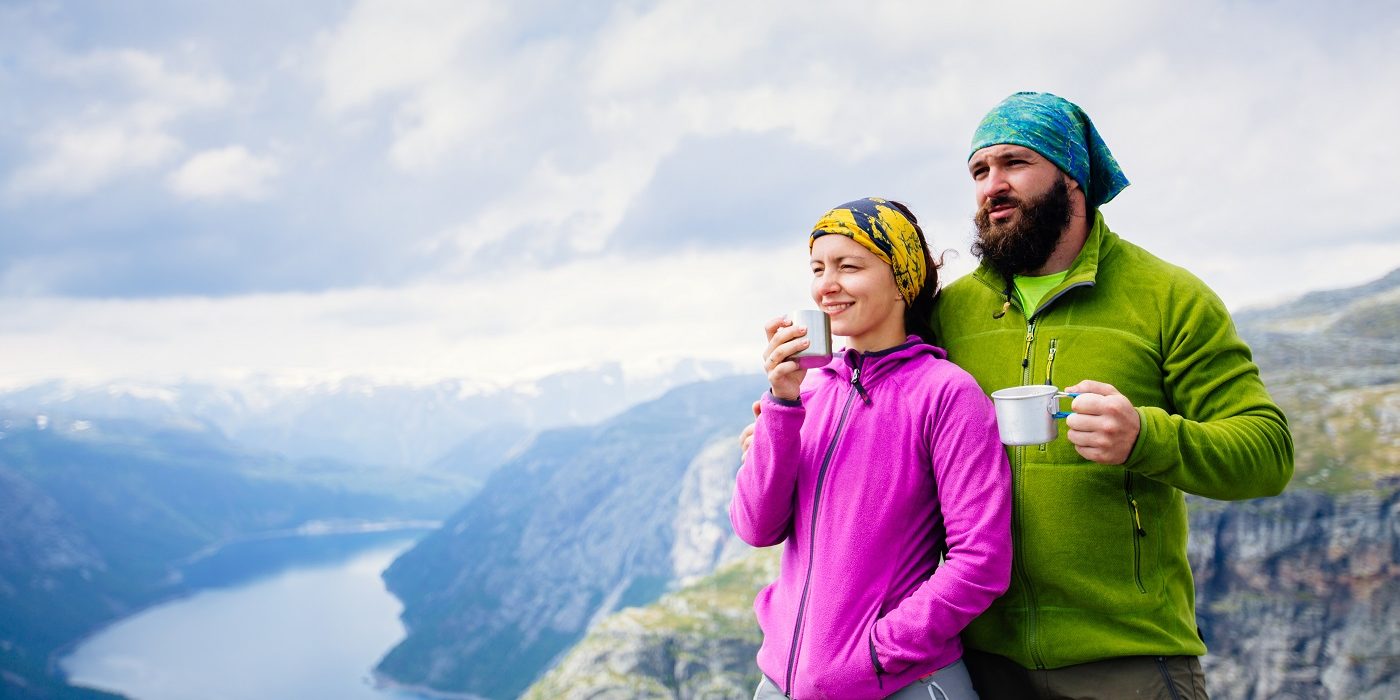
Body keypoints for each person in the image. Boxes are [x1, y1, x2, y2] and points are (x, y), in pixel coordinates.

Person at [933, 92, 1296, 698]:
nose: (991, 185)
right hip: (979, 662)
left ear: (1072, 177)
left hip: (1126, 661)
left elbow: (1267, 453)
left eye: (1014, 164)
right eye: (979, 170)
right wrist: (789, 421)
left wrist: (1144, 437)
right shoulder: (952, 311)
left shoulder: (1167, 297)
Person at [731, 197, 1012, 700]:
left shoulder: (946, 393)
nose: (826, 285)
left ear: (902, 280)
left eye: (848, 266)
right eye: (818, 268)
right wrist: (780, 402)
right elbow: (756, 527)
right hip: (780, 684)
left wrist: (879, 652)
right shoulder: (807, 393)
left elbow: (982, 560)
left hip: (901, 685)